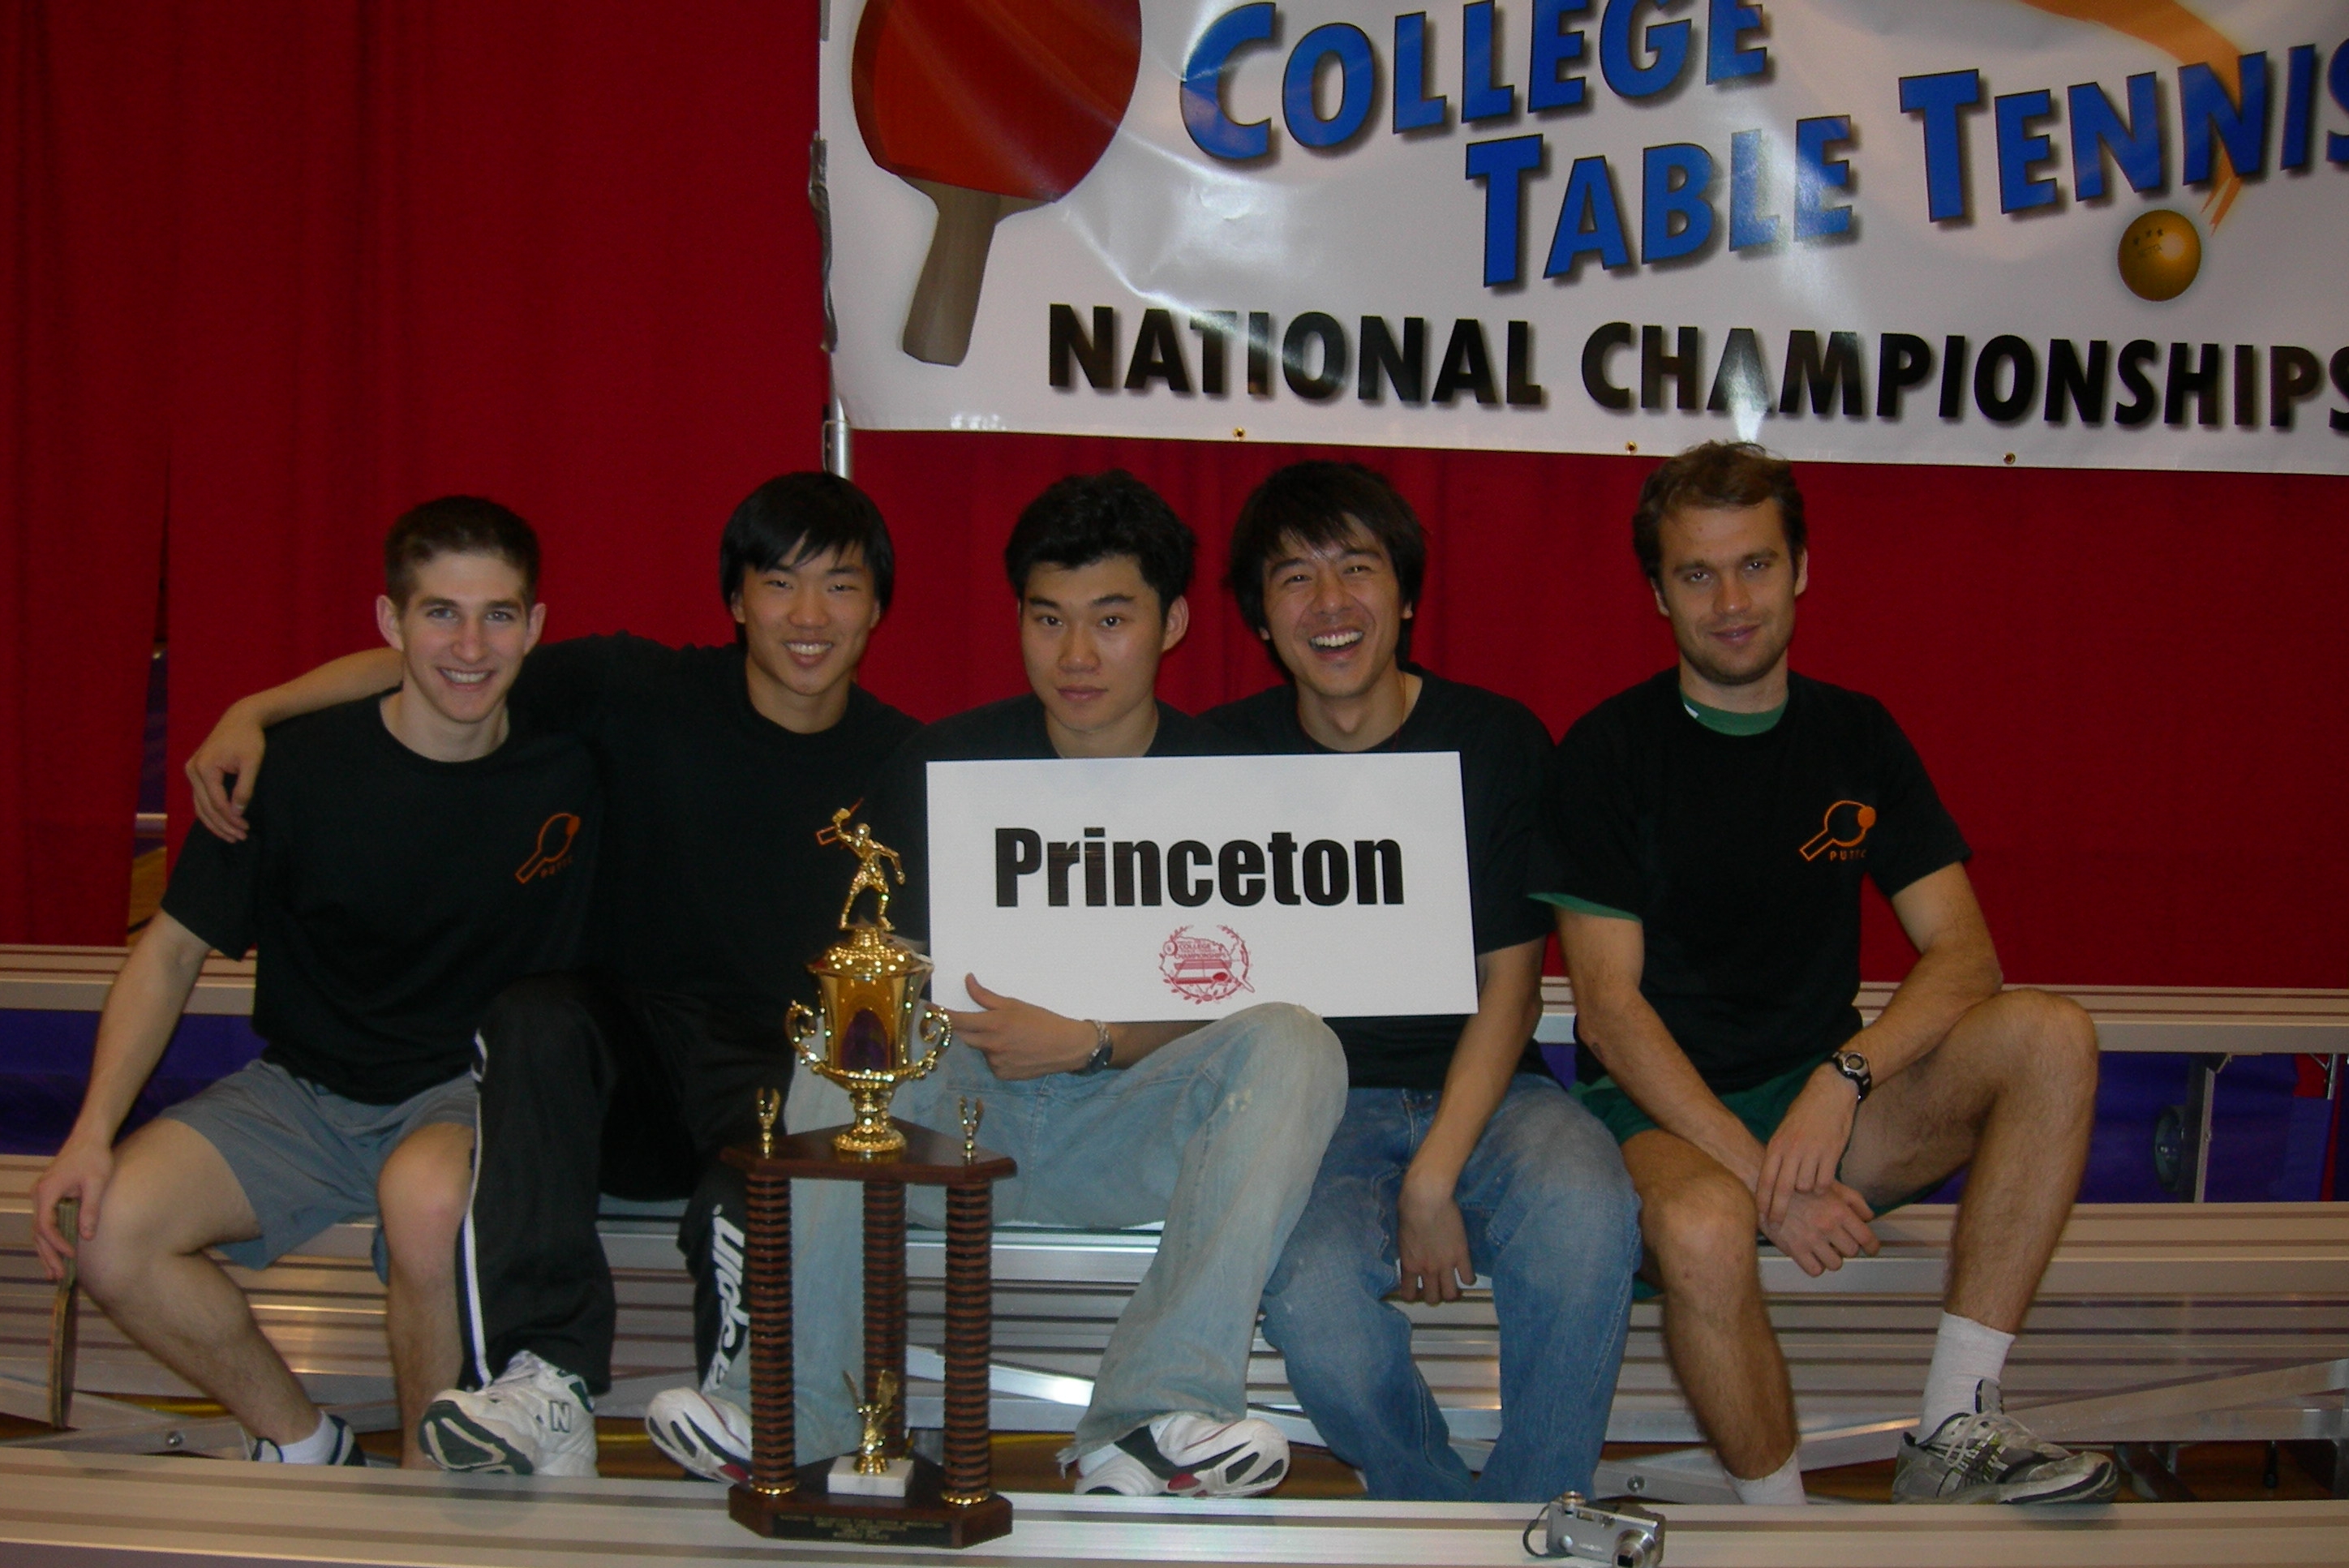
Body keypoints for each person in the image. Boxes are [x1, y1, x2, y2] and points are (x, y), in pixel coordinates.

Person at [182, 474, 917, 1477]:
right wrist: (256, 710)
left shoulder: (905, 761)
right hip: (625, 1078)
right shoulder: (636, 688)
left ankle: (753, 1420)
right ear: (736, 599)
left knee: (755, 1180)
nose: (808, 616)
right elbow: (441, 667)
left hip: (769, 1080)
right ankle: (547, 1382)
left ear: (876, 607)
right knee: (535, 1013)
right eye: (779, 583)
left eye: (839, 586)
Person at [1540, 440, 2115, 1506]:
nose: (1731, 602)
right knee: (1707, 1229)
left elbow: (1967, 955)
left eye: (1755, 565)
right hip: (1663, 1121)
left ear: (1800, 569)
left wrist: (1844, 1076)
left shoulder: (1856, 733)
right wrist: (1765, 1179)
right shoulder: (1609, 751)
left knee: (2051, 1033)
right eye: (1697, 574)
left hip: (1823, 1110)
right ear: (1657, 592)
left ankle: (1953, 1424)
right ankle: (1785, 1532)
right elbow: (1611, 1015)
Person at [32, 497, 597, 1470]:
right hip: (303, 1092)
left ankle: (426, 1491)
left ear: (535, 626)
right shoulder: (291, 768)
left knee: (424, 1202)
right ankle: (304, 1444)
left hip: (464, 1092)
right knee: (107, 1230)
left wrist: (253, 703)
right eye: (440, 613)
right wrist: (89, 1134)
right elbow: (168, 954)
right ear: (390, 621)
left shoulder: (575, 755)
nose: (470, 645)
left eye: (498, 615)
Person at [834, 469, 1348, 1499]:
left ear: (1172, 623)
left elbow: (1248, 998)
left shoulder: (1236, 786)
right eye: (1048, 619)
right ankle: (800, 1418)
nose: (1075, 656)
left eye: (1110, 620)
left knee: (1299, 1039)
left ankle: (1150, 1416)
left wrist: (1098, 1038)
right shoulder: (941, 764)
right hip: (962, 1116)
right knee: (837, 1050)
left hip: (1135, 1124)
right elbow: (876, 976)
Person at [1205, 462, 1639, 1501]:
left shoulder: (1493, 741)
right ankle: (1439, 1518)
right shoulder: (1218, 757)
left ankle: (1535, 1513)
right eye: (1294, 578)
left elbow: (1513, 988)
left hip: (1489, 1089)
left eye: (1357, 568)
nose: (1330, 602)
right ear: (1260, 618)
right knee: (1309, 1293)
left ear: (1404, 595)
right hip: (1313, 1112)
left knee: (1588, 1205)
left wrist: (1431, 1176)